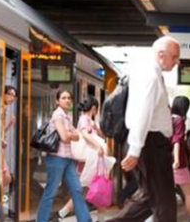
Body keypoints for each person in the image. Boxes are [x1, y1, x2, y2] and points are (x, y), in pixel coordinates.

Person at [107, 36, 180, 222]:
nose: (177, 61)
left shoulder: (148, 72)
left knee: (149, 199)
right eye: (174, 57)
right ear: (161, 55)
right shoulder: (150, 75)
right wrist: (134, 150)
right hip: (152, 143)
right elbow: (142, 113)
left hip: (150, 144)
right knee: (165, 203)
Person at [36, 90, 92, 222]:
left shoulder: (67, 117)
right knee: (50, 192)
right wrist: (70, 135)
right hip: (56, 159)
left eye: (69, 98)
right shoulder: (57, 116)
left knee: (77, 190)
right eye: (63, 98)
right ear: (57, 101)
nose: (67, 100)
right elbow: (65, 137)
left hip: (68, 159)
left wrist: (70, 135)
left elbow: (77, 136)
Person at [57, 96, 113, 222]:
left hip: (92, 160)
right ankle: (63, 212)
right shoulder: (84, 119)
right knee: (89, 188)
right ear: (94, 108)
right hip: (89, 161)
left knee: (93, 187)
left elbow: (101, 136)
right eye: (96, 108)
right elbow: (85, 135)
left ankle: (63, 212)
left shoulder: (90, 120)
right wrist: (98, 146)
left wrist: (96, 128)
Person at [171, 96, 190, 215]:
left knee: (165, 195)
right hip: (178, 163)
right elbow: (177, 141)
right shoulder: (179, 121)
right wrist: (177, 160)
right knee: (188, 193)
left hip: (163, 161)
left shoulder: (166, 119)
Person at [2, 85, 17, 188]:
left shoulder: (5, 108)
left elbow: (1, 132)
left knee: (6, 177)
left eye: (14, 96)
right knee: (6, 177)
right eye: (10, 94)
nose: (12, 98)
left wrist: (10, 125)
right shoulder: (1, 108)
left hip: (1, 145)